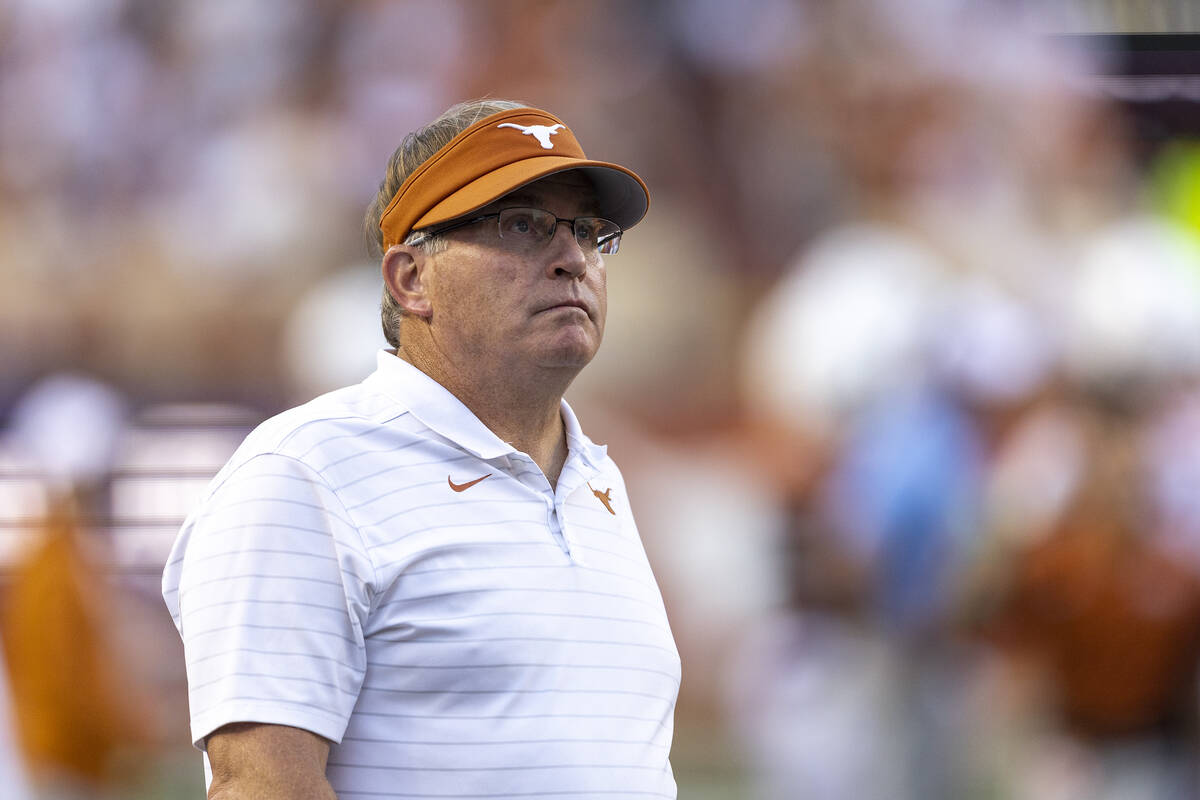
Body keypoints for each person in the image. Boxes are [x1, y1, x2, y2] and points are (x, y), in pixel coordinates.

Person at [162, 99, 680, 799]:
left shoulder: (599, 479)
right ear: (411, 278)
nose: (571, 259)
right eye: (523, 225)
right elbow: (263, 789)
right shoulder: (304, 474)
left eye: (589, 232)